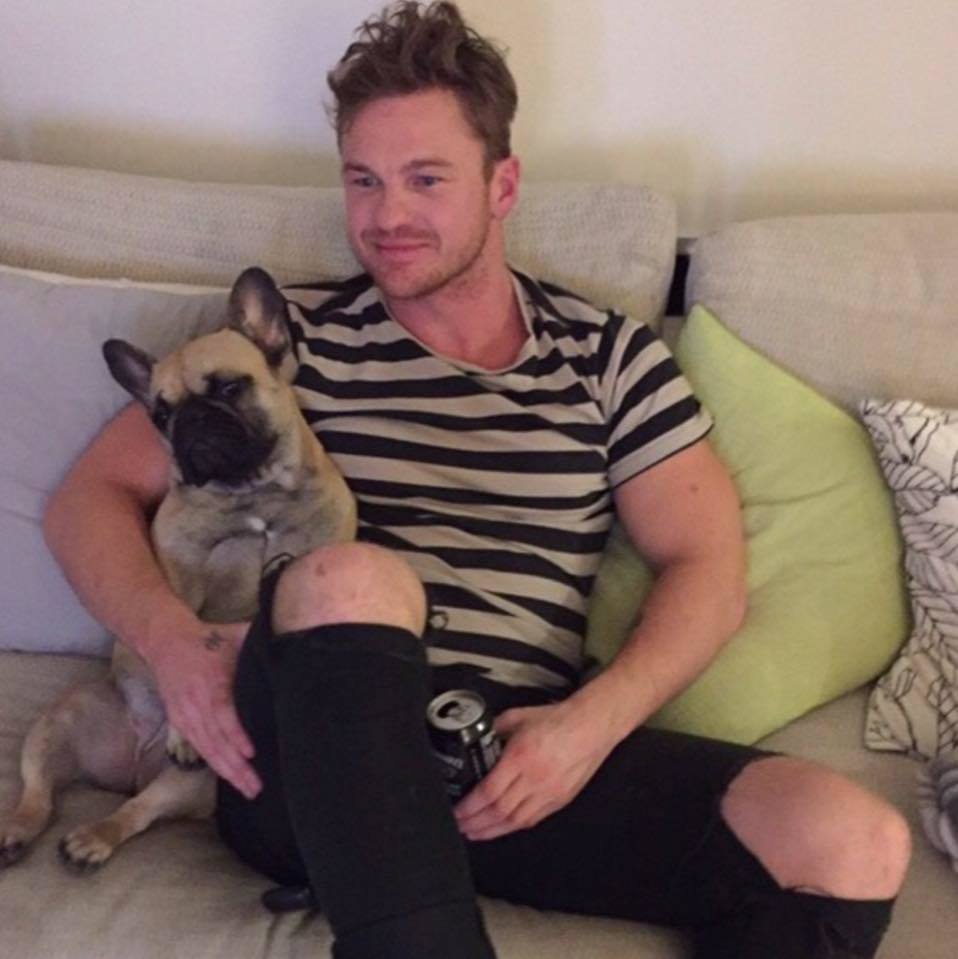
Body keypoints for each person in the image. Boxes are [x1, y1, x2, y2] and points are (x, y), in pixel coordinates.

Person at [44, 3, 910, 957]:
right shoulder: (284, 344)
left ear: (504, 185)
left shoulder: (609, 357)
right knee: (351, 575)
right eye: (363, 180)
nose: (387, 216)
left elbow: (708, 566)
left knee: (853, 839)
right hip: (314, 758)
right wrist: (175, 646)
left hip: (518, 757)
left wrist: (588, 727)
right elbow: (87, 499)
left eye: (426, 178)